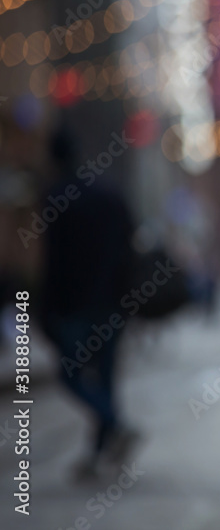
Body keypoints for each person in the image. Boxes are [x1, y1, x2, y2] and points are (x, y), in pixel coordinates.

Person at [39, 124, 141, 480]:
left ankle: (112, 428)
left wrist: (45, 310)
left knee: (71, 374)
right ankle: (103, 445)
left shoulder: (56, 197)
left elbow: (51, 261)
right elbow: (131, 245)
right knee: (105, 378)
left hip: (77, 306)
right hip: (112, 302)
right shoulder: (109, 194)